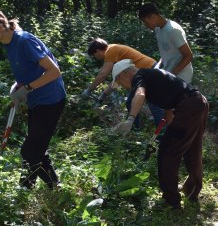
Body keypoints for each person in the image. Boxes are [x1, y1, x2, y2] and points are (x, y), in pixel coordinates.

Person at [0, 9, 66, 189]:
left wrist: (27, 88)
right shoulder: (8, 44)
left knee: (29, 151)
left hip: (50, 100)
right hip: (36, 100)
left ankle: (30, 188)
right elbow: (27, 70)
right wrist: (18, 86)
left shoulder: (24, 41)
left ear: (0, 25)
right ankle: (50, 188)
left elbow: (54, 71)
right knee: (36, 148)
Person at [112, 59, 208, 209]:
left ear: (123, 74)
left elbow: (140, 93)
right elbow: (169, 106)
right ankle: (192, 191)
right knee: (192, 149)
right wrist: (170, 129)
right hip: (197, 102)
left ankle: (171, 201)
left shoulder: (139, 76)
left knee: (167, 153)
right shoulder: (152, 75)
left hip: (189, 106)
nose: (124, 87)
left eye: (120, 83)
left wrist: (130, 119)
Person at [81, 37, 164, 126]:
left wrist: (89, 89)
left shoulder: (110, 51)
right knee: (130, 103)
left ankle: (162, 132)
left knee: (154, 104)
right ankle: (135, 129)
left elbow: (103, 74)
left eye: (94, 55)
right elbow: (118, 79)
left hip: (149, 71)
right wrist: (103, 95)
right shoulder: (114, 51)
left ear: (97, 51)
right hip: (146, 72)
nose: (96, 58)